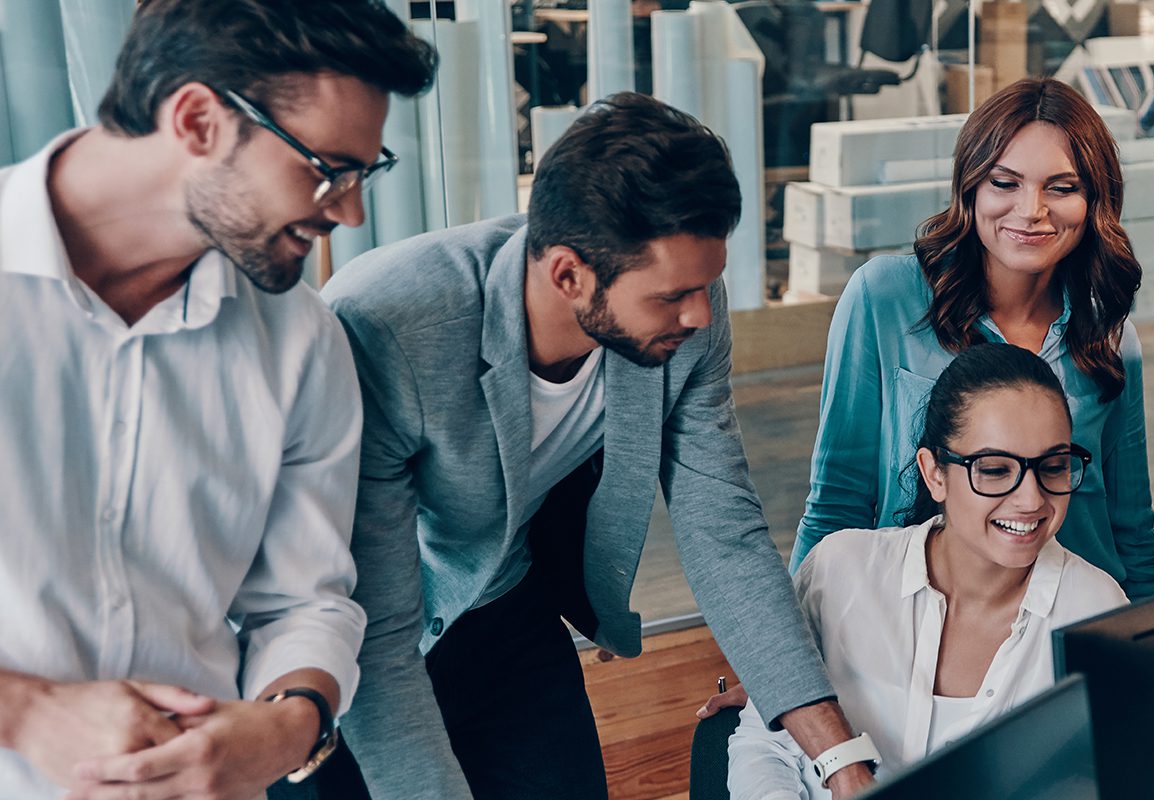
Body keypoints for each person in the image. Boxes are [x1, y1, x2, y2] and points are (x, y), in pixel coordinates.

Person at [314, 94, 870, 800]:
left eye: (706, 286)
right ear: (569, 275)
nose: (699, 315)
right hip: (355, 641)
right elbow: (378, 626)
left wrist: (840, 760)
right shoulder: (389, 326)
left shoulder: (688, 308)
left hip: (506, 608)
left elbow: (723, 535)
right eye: (672, 297)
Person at [0, 2, 436, 798]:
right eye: (327, 167)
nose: (348, 211)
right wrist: (23, 712)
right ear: (199, 119)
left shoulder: (303, 341)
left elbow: (306, 598)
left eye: (364, 174)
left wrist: (289, 721)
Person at [791, 78, 1154, 599]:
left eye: (1061, 187)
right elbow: (836, 502)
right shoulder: (884, 298)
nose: (1031, 210)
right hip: (911, 619)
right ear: (970, 187)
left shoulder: (1108, 336)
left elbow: (1131, 528)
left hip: (1071, 621)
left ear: (1095, 200)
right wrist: (793, 663)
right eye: (1004, 182)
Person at [728, 343, 1128, 798]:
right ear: (934, 473)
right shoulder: (839, 571)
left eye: (1054, 467)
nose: (1032, 499)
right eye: (995, 470)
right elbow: (766, 744)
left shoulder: (1098, 612)